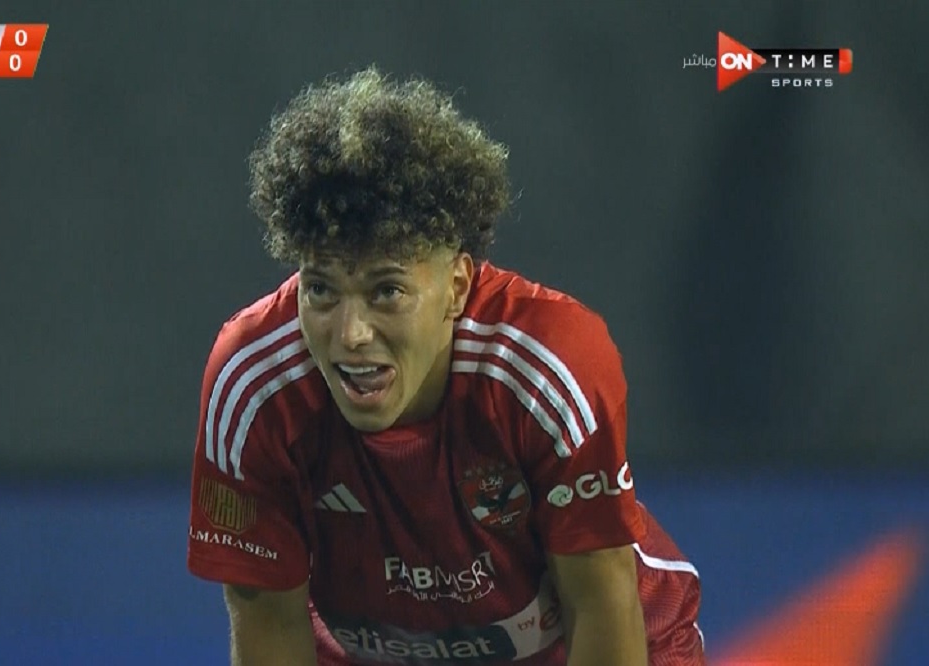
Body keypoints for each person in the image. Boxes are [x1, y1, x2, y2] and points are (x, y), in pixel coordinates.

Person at [186, 67, 704, 666]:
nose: (350, 336)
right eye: (322, 289)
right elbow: (270, 622)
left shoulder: (548, 370)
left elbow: (599, 606)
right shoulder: (254, 386)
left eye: (386, 291)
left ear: (456, 286)